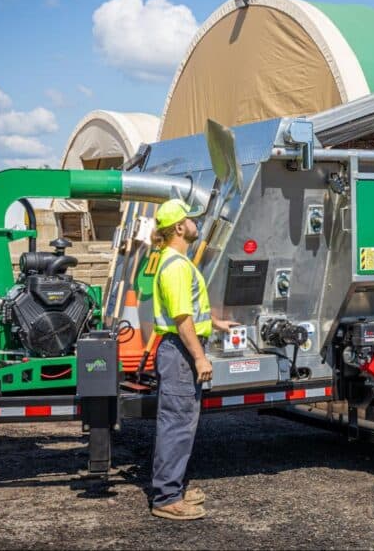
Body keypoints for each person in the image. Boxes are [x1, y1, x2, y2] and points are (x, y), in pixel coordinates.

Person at [149, 198, 235, 521]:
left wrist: (214, 323)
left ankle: (173, 488)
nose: (196, 223)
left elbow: (191, 310)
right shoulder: (174, 266)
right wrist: (200, 359)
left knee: (183, 421)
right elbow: (181, 317)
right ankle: (167, 498)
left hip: (181, 348)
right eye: (191, 218)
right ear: (179, 227)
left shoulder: (177, 262)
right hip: (180, 352)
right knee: (177, 423)